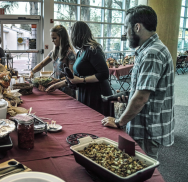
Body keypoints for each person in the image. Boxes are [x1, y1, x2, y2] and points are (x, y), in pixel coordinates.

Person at [101, 5, 175, 160]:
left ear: (137, 27)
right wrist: (129, 96)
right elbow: (147, 90)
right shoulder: (149, 50)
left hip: (147, 127)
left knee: (141, 169)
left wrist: (119, 122)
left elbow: (141, 97)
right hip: (145, 123)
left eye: (126, 28)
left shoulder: (152, 53)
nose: (124, 33)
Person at [62, 21, 113, 116]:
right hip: (85, 92)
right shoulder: (80, 52)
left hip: (97, 94)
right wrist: (59, 84)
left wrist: (81, 80)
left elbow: (104, 74)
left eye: (71, 35)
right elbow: (76, 77)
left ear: (78, 35)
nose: (71, 38)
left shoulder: (93, 50)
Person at [32, 25, 76, 98]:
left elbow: (72, 75)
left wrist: (58, 80)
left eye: (54, 38)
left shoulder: (70, 53)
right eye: (52, 38)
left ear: (62, 38)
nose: (52, 41)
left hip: (66, 89)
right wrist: (32, 71)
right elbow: (42, 64)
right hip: (55, 87)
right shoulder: (54, 52)